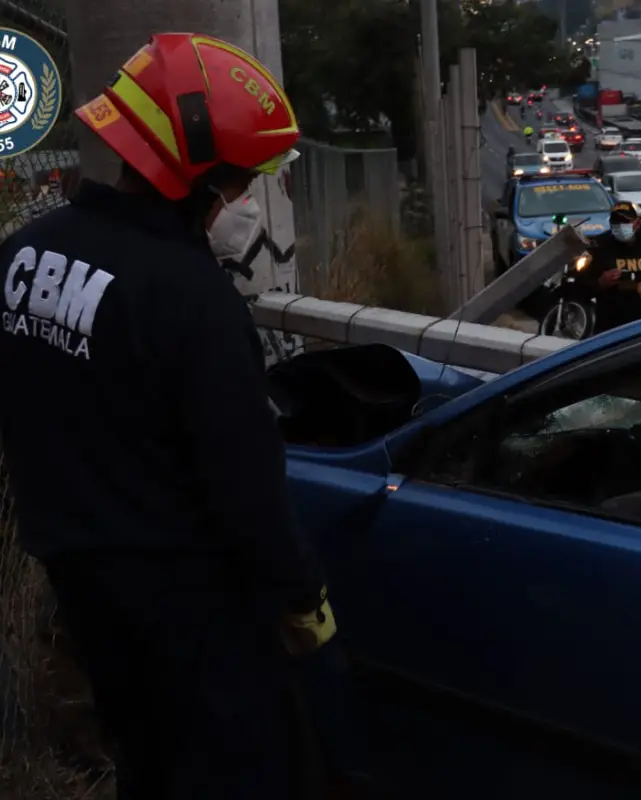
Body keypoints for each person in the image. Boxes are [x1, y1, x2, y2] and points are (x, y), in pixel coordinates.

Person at [0, 33, 339, 799]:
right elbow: (247, 487)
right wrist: (304, 602)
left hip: (80, 580)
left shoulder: (24, 254)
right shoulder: (195, 302)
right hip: (192, 608)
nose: (244, 201)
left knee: (145, 760)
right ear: (198, 178)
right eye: (241, 183)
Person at [578, 201, 641, 334]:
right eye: (616, 223)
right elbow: (579, 285)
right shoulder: (599, 247)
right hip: (610, 326)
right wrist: (599, 283)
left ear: (637, 223)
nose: (620, 227)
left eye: (625, 222)